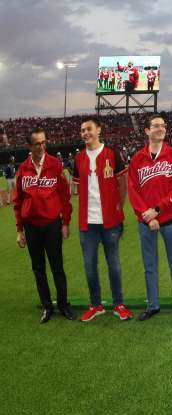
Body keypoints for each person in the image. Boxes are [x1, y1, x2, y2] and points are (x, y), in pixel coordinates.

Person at [128, 114, 172, 321]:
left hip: (170, 219)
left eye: (163, 125)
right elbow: (133, 191)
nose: (160, 128)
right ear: (147, 131)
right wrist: (148, 216)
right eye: (156, 126)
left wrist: (157, 209)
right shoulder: (137, 158)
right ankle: (153, 305)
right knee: (150, 266)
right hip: (146, 222)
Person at [73, 117, 133, 322]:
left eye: (88, 129)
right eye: (82, 130)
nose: (85, 133)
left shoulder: (111, 153)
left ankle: (119, 304)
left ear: (98, 130)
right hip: (87, 223)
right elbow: (77, 185)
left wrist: (119, 205)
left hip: (110, 221)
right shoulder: (79, 157)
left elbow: (123, 181)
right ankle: (96, 305)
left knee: (114, 264)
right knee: (90, 266)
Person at [14, 128, 76, 323]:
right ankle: (47, 306)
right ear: (29, 146)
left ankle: (64, 305)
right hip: (31, 226)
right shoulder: (23, 168)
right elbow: (18, 201)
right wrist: (19, 229)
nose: (42, 147)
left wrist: (65, 222)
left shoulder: (55, 165)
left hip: (51, 224)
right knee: (38, 268)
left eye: (44, 143)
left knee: (57, 267)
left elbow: (65, 197)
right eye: (37, 144)